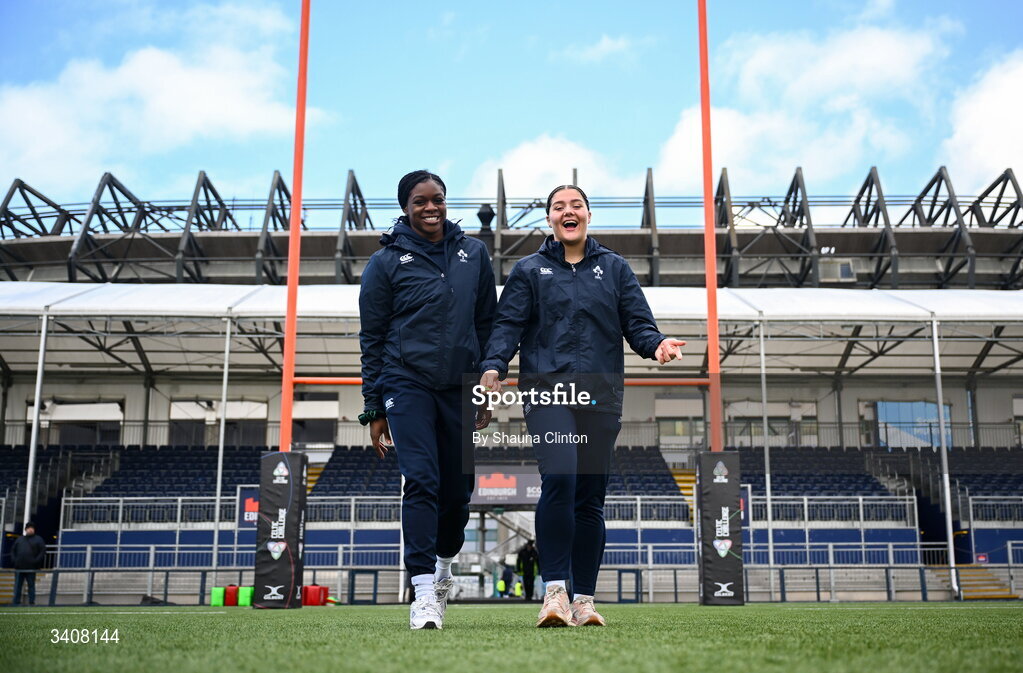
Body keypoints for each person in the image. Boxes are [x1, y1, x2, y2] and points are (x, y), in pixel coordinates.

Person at [480, 185, 684, 628]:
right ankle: (555, 592)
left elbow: (637, 324)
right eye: (558, 207)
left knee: (590, 498)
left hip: (600, 395)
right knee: (562, 477)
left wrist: (658, 344)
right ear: (550, 219)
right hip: (548, 392)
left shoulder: (614, 268)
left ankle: (584, 600)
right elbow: (507, 325)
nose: (567, 212)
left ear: (588, 215)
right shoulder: (530, 270)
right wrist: (494, 364)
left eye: (575, 205)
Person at [359, 170, 497, 630]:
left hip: (458, 384)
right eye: (420, 201)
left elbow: (485, 325)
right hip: (406, 382)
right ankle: (421, 592)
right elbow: (372, 338)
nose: (431, 207)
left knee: (458, 492)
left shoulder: (474, 253)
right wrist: (374, 406)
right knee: (421, 480)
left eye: (437, 199)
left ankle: (442, 570)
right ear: (405, 206)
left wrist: (481, 385)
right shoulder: (384, 263)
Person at [12, 522, 46, 606]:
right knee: (17, 586)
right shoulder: (19, 539)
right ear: (25, 529)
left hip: (31, 568)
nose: (30, 529)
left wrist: (35, 561)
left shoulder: (39, 539)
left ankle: (31, 602)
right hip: (19, 567)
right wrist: (15, 561)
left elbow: (42, 552)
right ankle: (16, 602)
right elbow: (13, 551)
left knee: (31, 586)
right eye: (29, 528)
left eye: (32, 528)